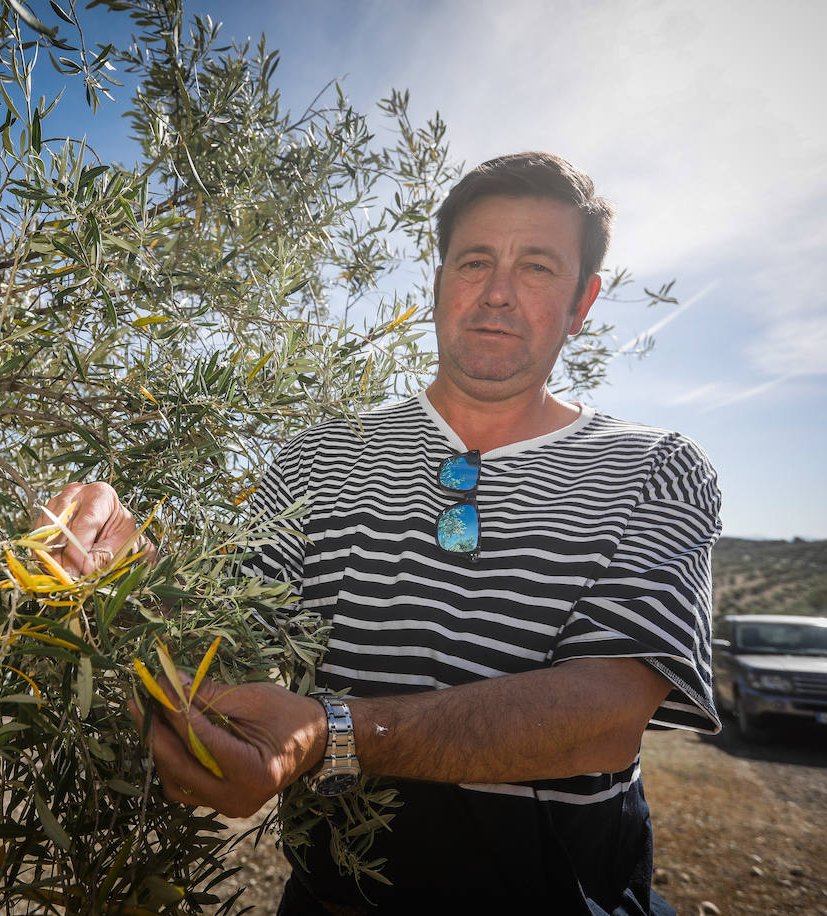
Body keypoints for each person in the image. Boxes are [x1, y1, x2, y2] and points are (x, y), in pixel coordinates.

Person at [44, 152, 722, 914]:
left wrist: (334, 734)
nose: (497, 293)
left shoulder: (655, 467)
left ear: (582, 301)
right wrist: (125, 568)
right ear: (436, 285)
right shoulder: (314, 459)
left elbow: (608, 714)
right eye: (473, 261)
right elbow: (233, 646)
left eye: (536, 267)